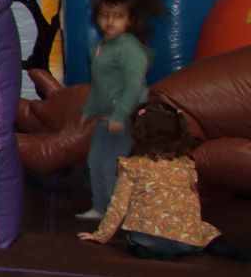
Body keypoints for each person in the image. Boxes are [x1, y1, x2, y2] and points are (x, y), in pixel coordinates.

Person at [78, 100, 243, 259]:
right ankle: (221, 246)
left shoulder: (132, 166)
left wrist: (101, 235)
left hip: (149, 239)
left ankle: (148, 251)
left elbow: (119, 206)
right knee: (207, 230)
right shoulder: (185, 164)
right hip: (187, 241)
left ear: (137, 132)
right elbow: (192, 201)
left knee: (135, 239)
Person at [76, 0, 165, 221]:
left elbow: (134, 86)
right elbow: (98, 87)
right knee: (94, 163)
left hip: (124, 118)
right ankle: (100, 207)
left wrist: (120, 115)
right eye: (105, 15)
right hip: (105, 118)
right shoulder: (98, 50)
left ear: (130, 20)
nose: (110, 21)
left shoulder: (129, 48)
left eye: (118, 16)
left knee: (111, 166)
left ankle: (119, 212)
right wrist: (88, 111)